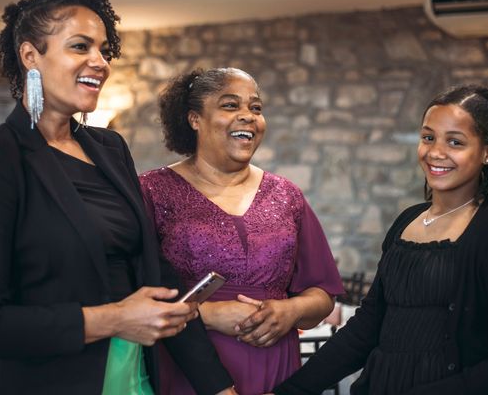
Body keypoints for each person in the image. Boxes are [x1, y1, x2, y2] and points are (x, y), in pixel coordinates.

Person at [0, 0, 237, 395]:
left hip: (133, 376)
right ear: (31, 56)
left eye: (104, 50)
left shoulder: (109, 148)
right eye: (80, 46)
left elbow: (153, 271)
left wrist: (218, 387)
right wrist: (115, 319)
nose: (99, 62)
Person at [271, 85, 488, 395]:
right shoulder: (407, 221)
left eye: (455, 142)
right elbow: (367, 329)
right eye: (428, 137)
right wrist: (291, 391)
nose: (435, 152)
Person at [139, 67, 344, 395]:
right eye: (231, 105)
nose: (248, 116)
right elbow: (131, 296)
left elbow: (323, 294)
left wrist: (291, 311)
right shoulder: (151, 191)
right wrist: (206, 314)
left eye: (256, 108)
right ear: (195, 119)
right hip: (190, 370)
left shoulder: (286, 195)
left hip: (276, 371)